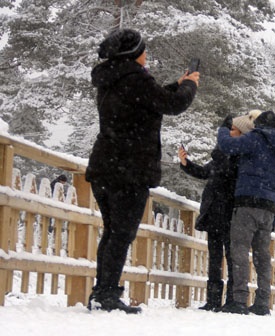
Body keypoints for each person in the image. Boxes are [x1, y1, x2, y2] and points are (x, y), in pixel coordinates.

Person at [85, 28, 199, 314]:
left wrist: (177, 83)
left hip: (105, 165)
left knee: (112, 232)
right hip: (129, 169)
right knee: (121, 234)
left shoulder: (112, 79)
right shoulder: (135, 78)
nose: (146, 54)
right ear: (135, 53)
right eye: (144, 49)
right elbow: (170, 105)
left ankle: (103, 291)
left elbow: (152, 100)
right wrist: (190, 86)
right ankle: (106, 294)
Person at [217, 110, 275, 316]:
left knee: (239, 250)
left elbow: (227, 146)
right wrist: (274, 218)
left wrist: (223, 129)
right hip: (268, 208)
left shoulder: (256, 139)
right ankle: (262, 302)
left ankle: (239, 300)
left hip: (246, 203)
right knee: (262, 256)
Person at [178, 115, 254, 312]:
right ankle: (213, 300)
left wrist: (220, 156)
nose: (229, 133)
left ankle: (231, 300)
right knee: (214, 258)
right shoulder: (222, 155)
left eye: (233, 130)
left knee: (231, 258)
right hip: (214, 215)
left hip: (230, 216)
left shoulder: (241, 156)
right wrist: (186, 163)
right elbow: (204, 172)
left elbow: (230, 176)